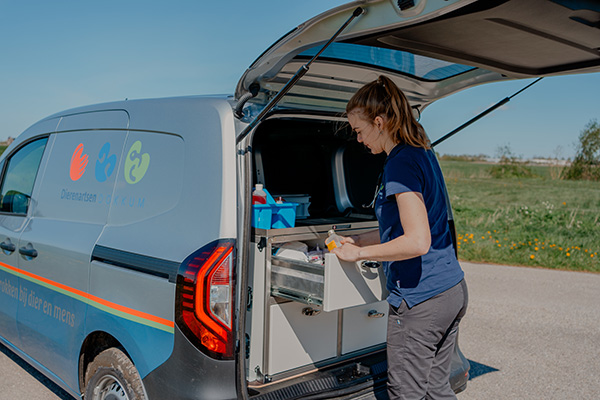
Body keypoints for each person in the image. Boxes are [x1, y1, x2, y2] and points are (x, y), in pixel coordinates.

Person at [331, 75, 468, 400]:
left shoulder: (401, 165)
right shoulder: (419, 153)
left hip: (422, 301)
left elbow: (417, 241)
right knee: (437, 389)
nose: (359, 139)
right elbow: (406, 225)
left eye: (360, 130)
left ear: (379, 122)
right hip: (451, 291)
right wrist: (361, 241)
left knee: (405, 392)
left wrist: (360, 256)